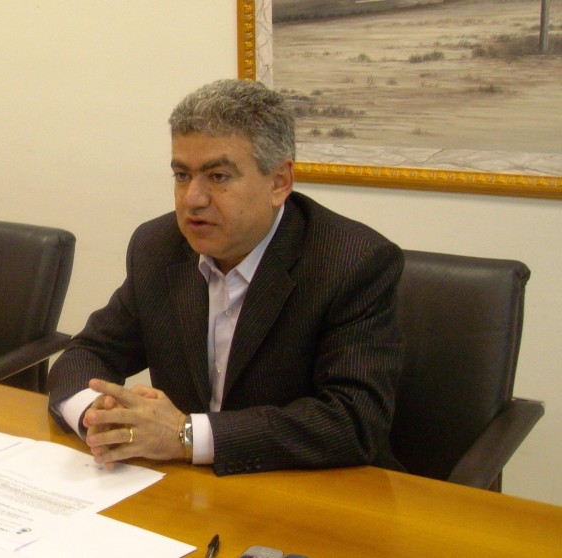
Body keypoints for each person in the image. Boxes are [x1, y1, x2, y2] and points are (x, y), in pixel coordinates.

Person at [47, 78, 404, 476]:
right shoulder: (158, 246)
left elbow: (354, 420)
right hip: (189, 487)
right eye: (182, 175)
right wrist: (98, 416)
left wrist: (186, 435)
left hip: (305, 488)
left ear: (279, 181)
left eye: (217, 177)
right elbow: (88, 352)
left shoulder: (352, 262)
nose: (193, 199)